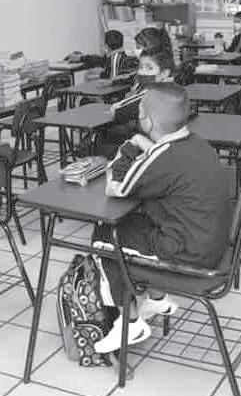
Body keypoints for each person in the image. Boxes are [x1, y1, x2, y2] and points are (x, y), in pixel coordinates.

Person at [92, 84, 232, 351]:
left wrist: (129, 146)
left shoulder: (164, 156)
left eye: (140, 109)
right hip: (213, 244)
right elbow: (162, 169)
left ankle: (130, 323)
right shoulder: (198, 144)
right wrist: (148, 148)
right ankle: (156, 299)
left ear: (147, 121)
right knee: (137, 222)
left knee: (105, 236)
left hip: (189, 255)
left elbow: (116, 186)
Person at [98, 49, 175, 155]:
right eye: (141, 67)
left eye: (149, 68)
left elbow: (120, 112)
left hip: (150, 146)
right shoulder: (170, 87)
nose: (143, 72)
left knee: (102, 138)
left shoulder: (153, 93)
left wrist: (116, 107)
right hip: (156, 142)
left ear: (164, 73)